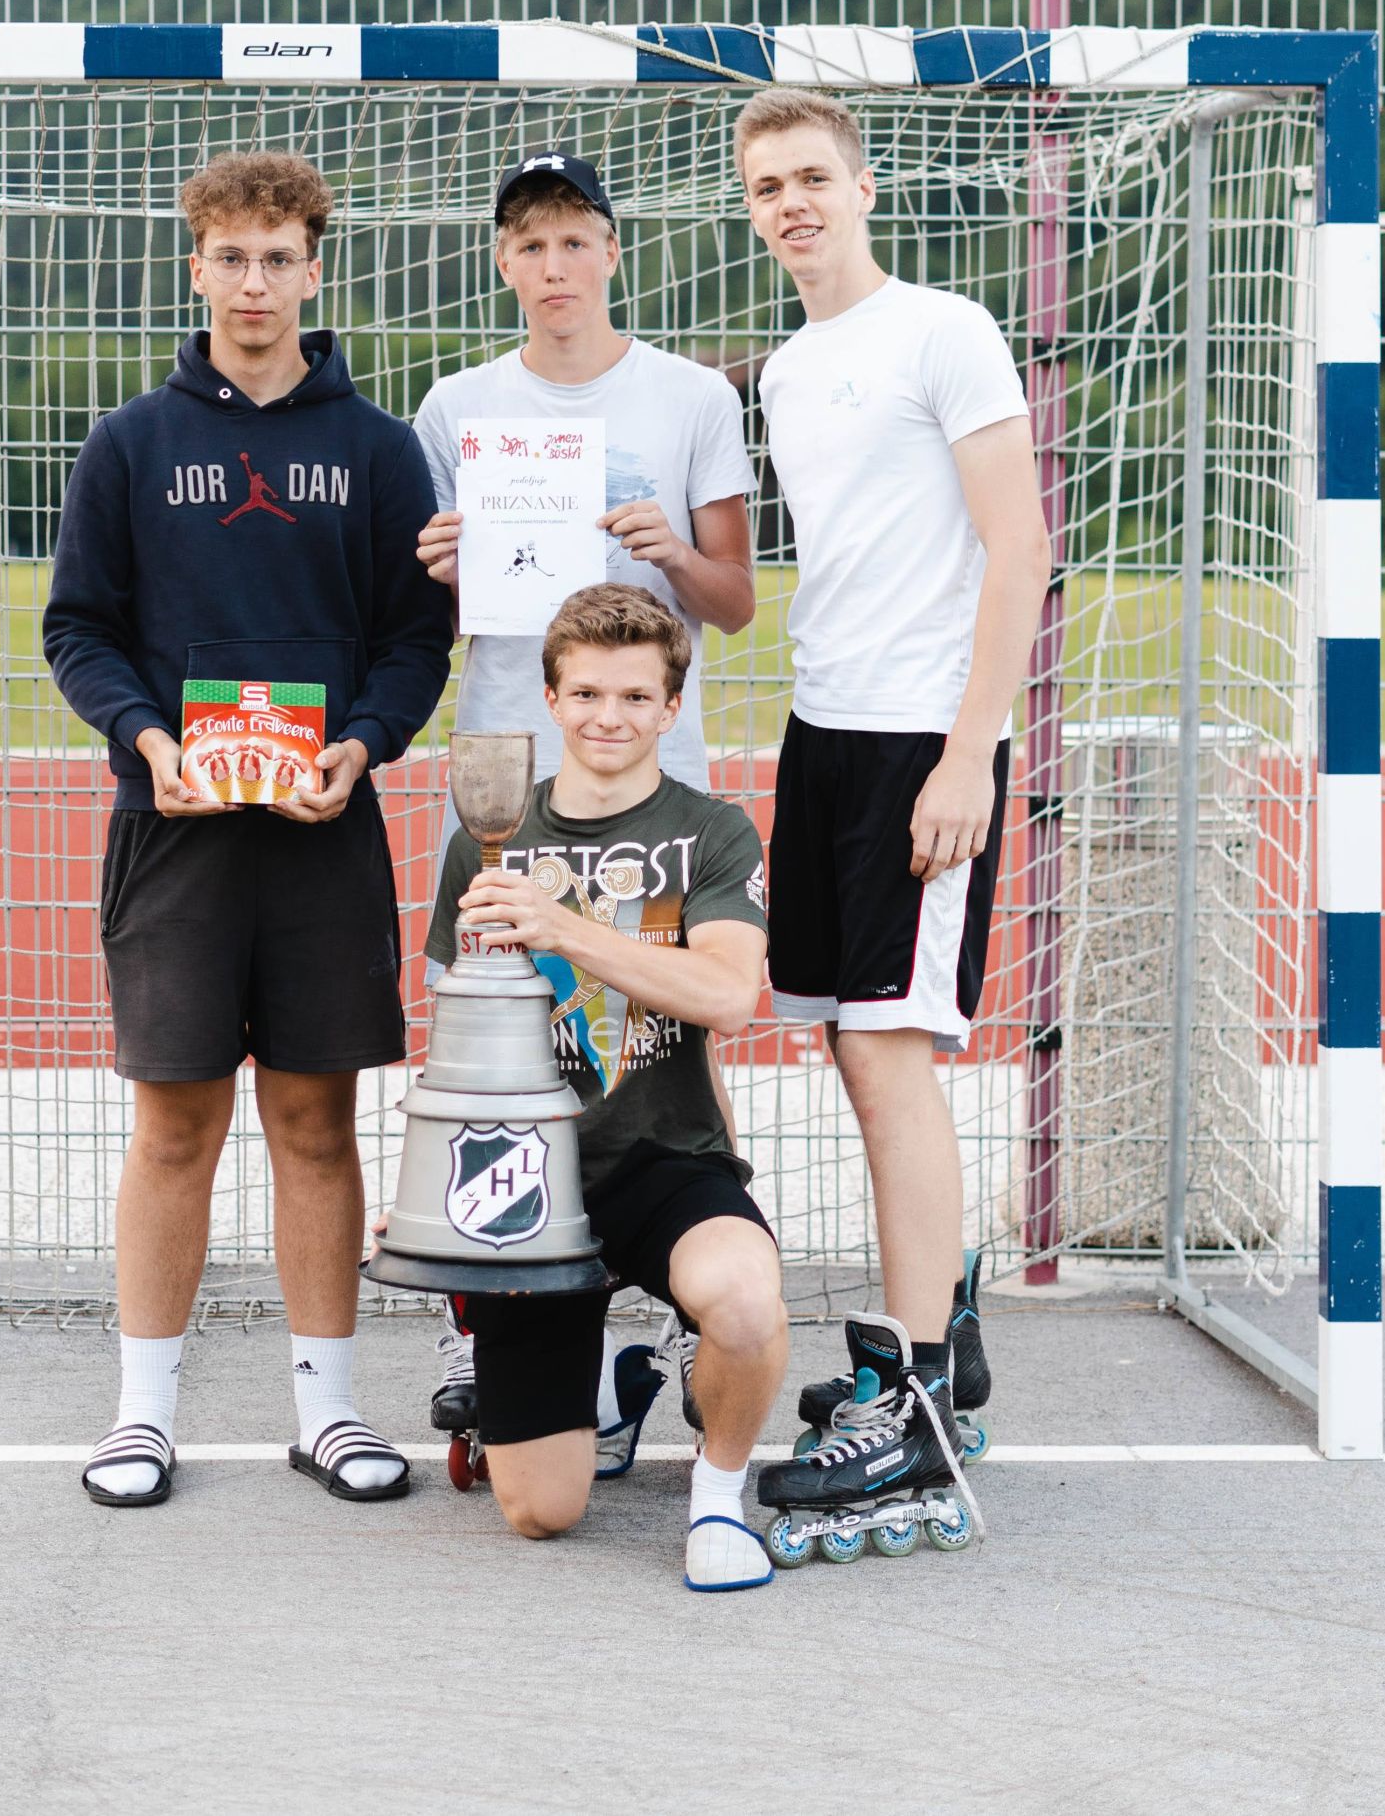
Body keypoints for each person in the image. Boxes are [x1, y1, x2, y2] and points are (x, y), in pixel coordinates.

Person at [44, 150, 453, 1510]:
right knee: (174, 1122)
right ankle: (139, 1414)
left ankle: (327, 1411)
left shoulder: (377, 450)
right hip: (174, 827)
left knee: (315, 1122)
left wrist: (362, 742)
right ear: (196, 269)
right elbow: (79, 629)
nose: (255, 281)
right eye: (231, 257)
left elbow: (414, 639)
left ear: (314, 272)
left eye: (278, 257)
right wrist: (149, 741)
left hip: (321, 827)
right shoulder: (130, 444)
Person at [734, 87, 1051, 1546]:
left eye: (811, 176)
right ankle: (939, 1329)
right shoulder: (790, 369)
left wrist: (968, 754)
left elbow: (1017, 548)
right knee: (850, 1046)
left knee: (887, 1048)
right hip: (825, 732)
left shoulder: (943, 329)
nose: (791, 203)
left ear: (861, 187)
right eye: (766, 187)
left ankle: (913, 1399)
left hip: (925, 736)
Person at [411, 150, 760, 1449]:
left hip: (649, 771)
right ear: (501, 260)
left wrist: (672, 551)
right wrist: (436, 568)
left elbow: (733, 600)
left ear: (611, 251)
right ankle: (500, 1311)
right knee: (497, 1030)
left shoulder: (688, 398)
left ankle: (687, 1306)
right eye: (527, 243)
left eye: (572, 240)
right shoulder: (456, 405)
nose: (551, 265)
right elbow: (444, 612)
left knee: (670, 1034)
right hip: (506, 767)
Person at [426, 585, 785, 1592]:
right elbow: (453, 1038)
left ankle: (717, 1499)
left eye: (634, 696)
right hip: (528, 1185)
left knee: (744, 1300)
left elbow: (727, 995)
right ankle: (610, 1391)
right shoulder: (487, 842)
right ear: (550, 698)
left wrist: (563, 927)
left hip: (661, 1158)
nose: (608, 717)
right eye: (585, 693)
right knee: (540, 1512)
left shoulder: (711, 832)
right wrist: (434, 1194)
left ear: (670, 706)